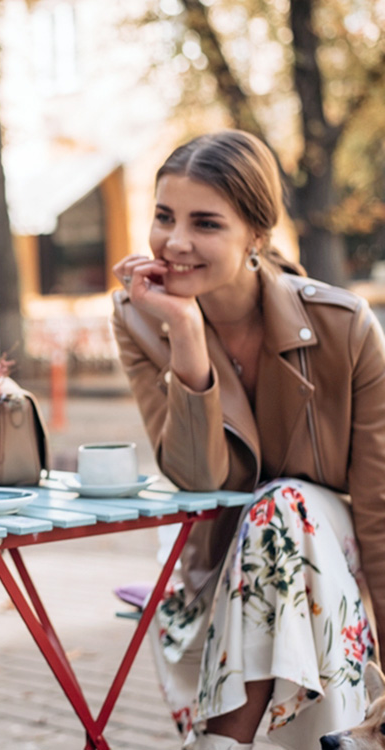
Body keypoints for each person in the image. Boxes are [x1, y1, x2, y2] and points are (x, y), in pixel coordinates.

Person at [111, 129, 382, 750]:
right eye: (162, 217)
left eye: (205, 223)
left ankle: (219, 743)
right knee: (276, 509)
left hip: (337, 572)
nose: (174, 243)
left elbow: (379, 509)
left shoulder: (343, 327)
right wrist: (184, 331)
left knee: (284, 502)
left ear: (256, 235)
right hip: (217, 580)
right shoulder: (139, 318)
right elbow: (197, 476)